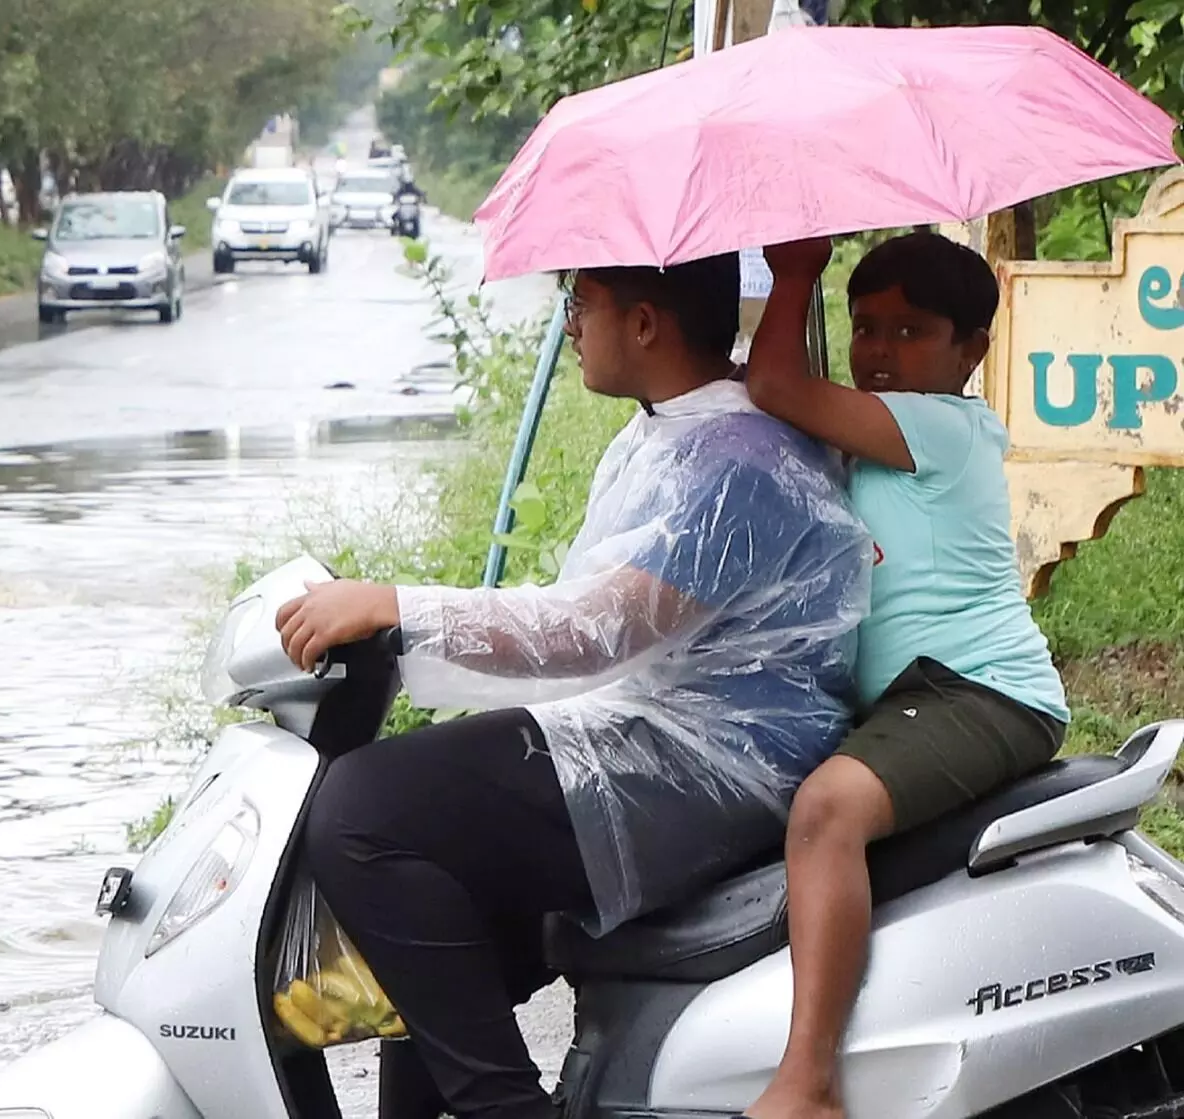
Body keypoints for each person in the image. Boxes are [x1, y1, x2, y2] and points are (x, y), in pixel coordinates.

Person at [273, 252, 872, 1119]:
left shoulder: (742, 462)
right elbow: (582, 617)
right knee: (431, 881)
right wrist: (402, 627)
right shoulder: (664, 433)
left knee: (361, 809)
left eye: (579, 302)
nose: (571, 324)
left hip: (721, 761)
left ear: (644, 323)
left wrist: (399, 604)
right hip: (656, 723)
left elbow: (598, 628)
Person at [741, 232, 1070, 1119]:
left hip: (979, 689)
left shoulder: (939, 426)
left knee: (827, 810)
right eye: (864, 328)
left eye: (910, 331)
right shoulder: (880, 432)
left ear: (972, 350)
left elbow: (775, 386)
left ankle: (808, 1082)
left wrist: (795, 273)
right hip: (916, 695)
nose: (879, 351)